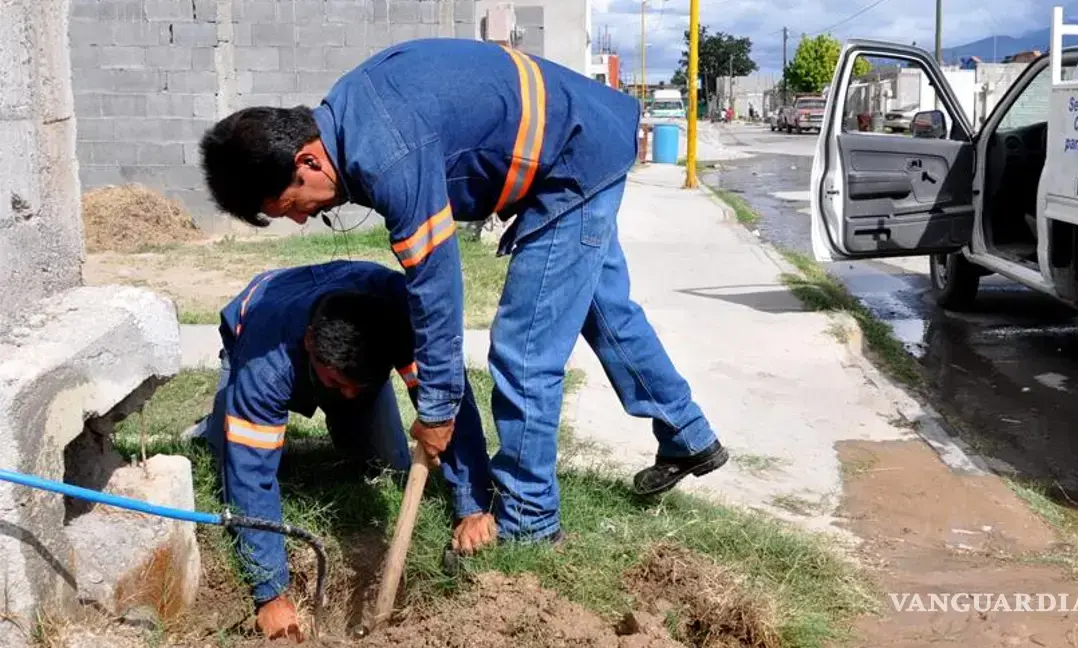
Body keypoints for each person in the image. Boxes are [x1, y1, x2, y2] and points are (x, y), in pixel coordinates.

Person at [198, 37, 728, 551]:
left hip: (571, 159)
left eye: (287, 204)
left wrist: (437, 412)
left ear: (307, 161)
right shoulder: (349, 119)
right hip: (585, 140)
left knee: (524, 349)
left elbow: (435, 288)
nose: (298, 217)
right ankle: (687, 435)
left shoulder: (384, 154)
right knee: (606, 311)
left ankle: (529, 521)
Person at [194, 259, 495, 642]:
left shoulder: (399, 316)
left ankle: (348, 390)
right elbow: (250, 475)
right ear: (309, 343)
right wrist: (270, 593)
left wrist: (472, 506)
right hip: (256, 330)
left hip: (347, 342)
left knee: (388, 463)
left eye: (360, 383)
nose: (349, 394)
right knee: (232, 454)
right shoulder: (265, 363)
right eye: (339, 382)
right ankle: (216, 422)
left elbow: (449, 400)